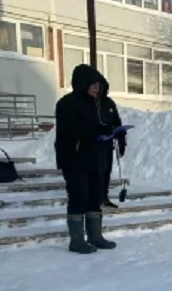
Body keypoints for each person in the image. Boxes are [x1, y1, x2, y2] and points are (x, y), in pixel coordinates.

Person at [54, 64, 117, 254]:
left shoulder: (102, 103)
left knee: (96, 196)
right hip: (75, 158)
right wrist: (96, 131)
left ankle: (95, 237)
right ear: (82, 84)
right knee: (79, 196)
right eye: (93, 85)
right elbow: (70, 131)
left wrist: (116, 133)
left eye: (98, 85)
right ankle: (77, 240)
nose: (97, 88)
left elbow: (112, 123)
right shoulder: (67, 103)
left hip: (97, 157)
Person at [98, 77, 126, 209]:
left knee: (106, 171)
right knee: (97, 171)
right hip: (94, 144)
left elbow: (117, 122)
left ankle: (104, 197)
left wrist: (121, 140)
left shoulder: (110, 103)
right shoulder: (91, 103)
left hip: (108, 144)